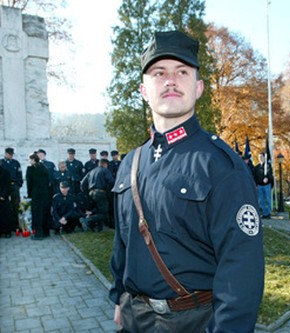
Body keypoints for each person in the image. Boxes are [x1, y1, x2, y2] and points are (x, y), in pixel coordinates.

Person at [109, 31, 264, 333]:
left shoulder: (220, 164)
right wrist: (118, 298)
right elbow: (122, 244)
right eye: (159, 72)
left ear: (199, 88)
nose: (170, 80)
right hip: (133, 317)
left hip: (192, 322)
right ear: (143, 89)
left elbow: (242, 266)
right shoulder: (130, 163)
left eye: (182, 72)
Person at [80, 158, 115, 231]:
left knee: (96, 210)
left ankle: (97, 227)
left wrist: (86, 193)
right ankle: (88, 220)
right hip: (101, 193)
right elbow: (111, 181)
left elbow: (83, 183)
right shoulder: (105, 170)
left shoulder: (91, 171)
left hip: (91, 193)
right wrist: (109, 192)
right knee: (103, 213)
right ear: (105, 164)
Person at [26, 153, 50, 240]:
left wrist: (29, 195)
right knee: (44, 212)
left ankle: (38, 233)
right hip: (45, 194)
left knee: (36, 214)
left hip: (36, 194)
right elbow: (48, 181)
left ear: (33, 159)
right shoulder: (44, 168)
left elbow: (29, 183)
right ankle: (45, 232)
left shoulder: (30, 169)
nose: (29, 161)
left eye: (29, 159)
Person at [0, 147, 23, 231]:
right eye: (9, 154)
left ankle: (16, 225)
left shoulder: (16, 163)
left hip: (14, 186)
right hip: (3, 188)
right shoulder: (1, 163)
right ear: (5, 154)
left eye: (11, 154)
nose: (10, 156)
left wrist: (18, 185)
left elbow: (19, 175)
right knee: (4, 207)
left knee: (15, 206)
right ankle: (6, 226)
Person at [254, 152, 274, 218]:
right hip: (259, 186)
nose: (260, 158)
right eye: (259, 157)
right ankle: (264, 213)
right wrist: (256, 183)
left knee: (268, 200)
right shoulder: (256, 167)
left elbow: (270, 175)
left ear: (264, 157)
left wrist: (267, 178)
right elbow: (255, 176)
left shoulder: (268, 166)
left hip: (266, 185)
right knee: (261, 201)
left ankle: (268, 213)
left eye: (261, 157)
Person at [0, 164, 14, 237]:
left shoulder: (5, 172)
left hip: (3, 197)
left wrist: (3, 195)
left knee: (5, 214)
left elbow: (7, 185)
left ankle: (7, 232)